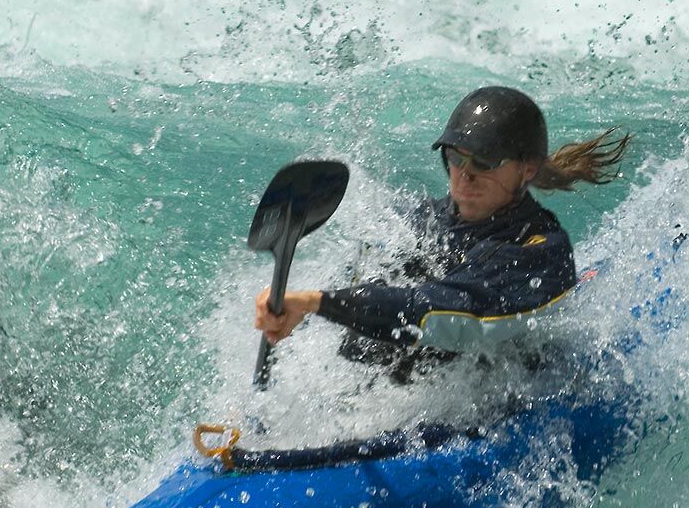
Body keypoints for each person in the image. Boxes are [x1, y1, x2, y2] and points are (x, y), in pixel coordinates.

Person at [254, 86, 628, 380]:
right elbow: (367, 287)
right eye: (455, 157)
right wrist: (295, 312)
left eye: (483, 162)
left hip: (494, 381)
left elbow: (442, 314)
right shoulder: (423, 221)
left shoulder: (539, 249)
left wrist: (319, 303)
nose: (464, 174)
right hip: (397, 379)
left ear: (526, 170)